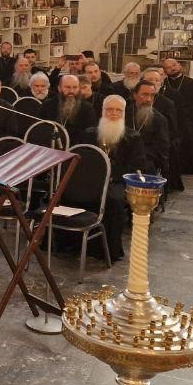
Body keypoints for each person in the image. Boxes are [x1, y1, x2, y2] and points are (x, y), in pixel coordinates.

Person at [83, 95, 147, 263]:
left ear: (124, 113)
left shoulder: (133, 137)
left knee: (114, 200)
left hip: (118, 181)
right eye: (110, 109)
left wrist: (113, 176)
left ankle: (108, 250)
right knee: (71, 195)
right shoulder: (89, 134)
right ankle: (71, 245)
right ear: (102, 111)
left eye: (118, 110)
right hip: (91, 180)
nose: (114, 113)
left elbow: (136, 165)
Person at [161, 57, 193, 175]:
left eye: (174, 65)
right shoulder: (163, 84)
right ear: (165, 71)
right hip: (168, 119)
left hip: (187, 119)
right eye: (168, 67)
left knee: (189, 134)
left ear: (179, 65)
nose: (172, 68)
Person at [142, 68, 182, 190]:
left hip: (157, 144)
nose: (154, 83)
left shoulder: (167, 103)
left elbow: (172, 130)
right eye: (150, 80)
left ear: (161, 83)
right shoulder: (134, 101)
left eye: (157, 80)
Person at [127, 80, 171, 178]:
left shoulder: (160, 120)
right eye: (145, 95)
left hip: (146, 164)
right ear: (135, 95)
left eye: (152, 95)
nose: (149, 99)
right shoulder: (125, 113)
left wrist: (139, 155)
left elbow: (162, 150)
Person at [42, 74, 96, 139]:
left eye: (75, 87)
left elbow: (89, 134)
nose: (71, 91)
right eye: (68, 87)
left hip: (77, 144)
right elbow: (40, 128)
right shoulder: (48, 105)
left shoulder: (87, 108)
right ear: (59, 88)